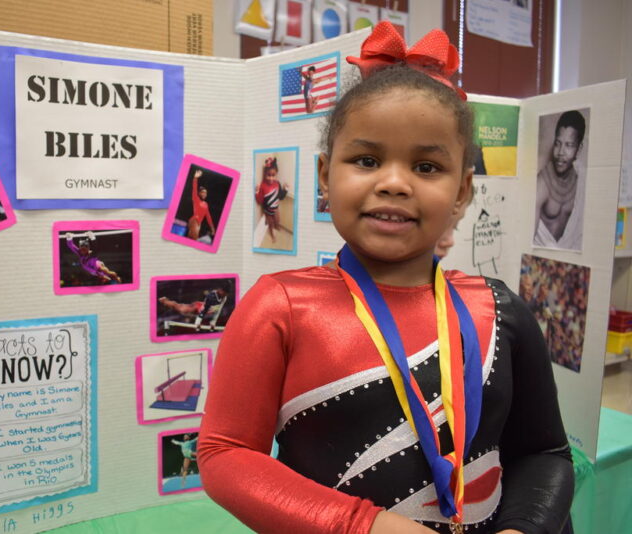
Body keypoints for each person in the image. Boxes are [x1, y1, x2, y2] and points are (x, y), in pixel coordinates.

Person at [198, 21, 573, 534]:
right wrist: (362, 526)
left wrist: (523, 528)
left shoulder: (500, 310)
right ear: (326, 176)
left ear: (463, 192)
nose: (394, 183)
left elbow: (544, 453)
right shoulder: (281, 305)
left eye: (426, 167)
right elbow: (225, 455)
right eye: (367, 159)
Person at [533, 110, 586, 250]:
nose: (561, 152)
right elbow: (527, 239)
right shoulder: (542, 183)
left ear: (579, 149)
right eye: (558, 143)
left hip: (571, 261)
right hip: (540, 260)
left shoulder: (582, 182)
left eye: (569, 145)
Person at [158, 285, 229, 331]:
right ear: (220, 291)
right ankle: (165, 301)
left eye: (226, 294)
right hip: (199, 307)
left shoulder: (224, 298)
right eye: (223, 292)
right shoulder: (212, 296)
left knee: (180, 308)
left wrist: (213, 322)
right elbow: (203, 311)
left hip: (205, 309)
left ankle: (167, 302)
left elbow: (218, 311)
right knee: (181, 309)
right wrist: (197, 323)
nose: (224, 295)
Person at [255, 156, 289, 244]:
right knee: (270, 224)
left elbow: (281, 197)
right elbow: (260, 201)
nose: (270, 178)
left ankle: (277, 226)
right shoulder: (263, 186)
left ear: (276, 174)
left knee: (277, 220)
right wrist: (257, 191)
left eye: (273, 175)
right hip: (268, 211)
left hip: (276, 209)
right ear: (265, 174)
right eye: (268, 175)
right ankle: (272, 235)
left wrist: (285, 190)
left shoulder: (277, 184)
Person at [187, 168, 216, 241]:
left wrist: (212, 227)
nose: (204, 194)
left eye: (205, 193)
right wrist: (195, 178)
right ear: (199, 193)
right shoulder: (196, 199)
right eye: (202, 192)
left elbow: (208, 216)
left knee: (190, 240)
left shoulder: (205, 204)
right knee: (194, 240)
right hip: (194, 221)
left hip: (198, 223)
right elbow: (194, 189)